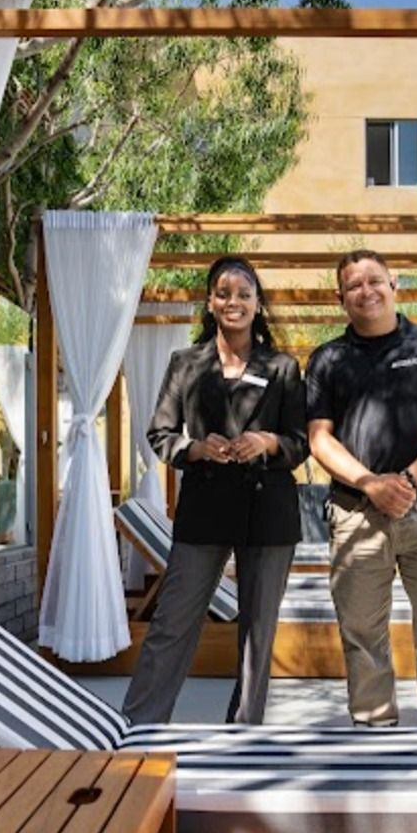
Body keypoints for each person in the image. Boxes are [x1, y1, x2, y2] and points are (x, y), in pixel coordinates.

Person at [122, 256, 308, 726]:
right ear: (210, 302)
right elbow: (160, 433)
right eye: (224, 293)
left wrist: (266, 442)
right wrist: (198, 449)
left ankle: (244, 734)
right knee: (172, 623)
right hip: (204, 508)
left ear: (258, 304)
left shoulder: (283, 367)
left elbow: (300, 443)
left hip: (268, 513)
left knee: (257, 633)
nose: (233, 302)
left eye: (244, 294)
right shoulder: (185, 363)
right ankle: (141, 724)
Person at [305, 248, 417, 727]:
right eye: (354, 285)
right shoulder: (328, 359)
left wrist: (408, 480)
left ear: (394, 283)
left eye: (374, 280)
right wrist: (369, 483)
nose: (366, 291)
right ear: (340, 298)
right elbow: (318, 437)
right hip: (355, 513)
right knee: (361, 630)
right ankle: (374, 727)